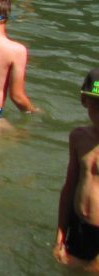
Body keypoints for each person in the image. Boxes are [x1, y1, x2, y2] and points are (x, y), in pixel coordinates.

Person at [54, 68, 99, 265]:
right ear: (84, 100)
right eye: (97, 104)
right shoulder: (79, 137)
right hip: (78, 226)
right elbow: (70, 186)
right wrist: (60, 237)